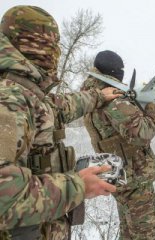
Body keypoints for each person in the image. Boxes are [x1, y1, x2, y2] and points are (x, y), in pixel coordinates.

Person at [0, 6, 121, 240]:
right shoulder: (9, 100)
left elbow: (62, 106)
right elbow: (4, 197)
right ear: (41, 45)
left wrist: (99, 96)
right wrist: (78, 186)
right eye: (55, 45)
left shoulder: (27, 93)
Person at [81, 50, 155, 240]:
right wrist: (152, 107)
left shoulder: (91, 95)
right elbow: (142, 133)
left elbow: (121, 122)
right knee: (145, 235)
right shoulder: (113, 99)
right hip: (134, 177)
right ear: (114, 73)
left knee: (129, 232)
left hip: (118, 174)